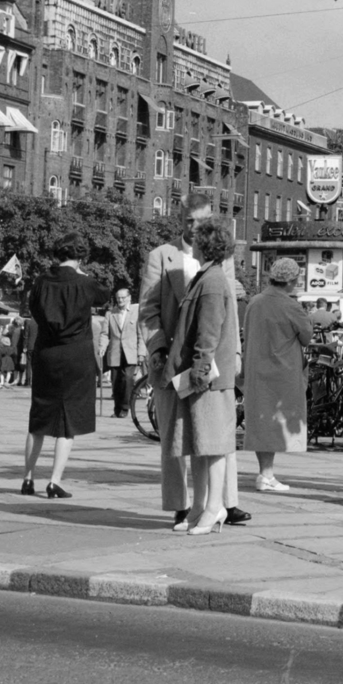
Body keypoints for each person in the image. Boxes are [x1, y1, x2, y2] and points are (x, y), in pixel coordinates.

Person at [141, 201, 250, 527]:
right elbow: (148, 309)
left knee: (214, 433)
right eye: (189, 220)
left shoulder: (220, 262)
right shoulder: (161, 256)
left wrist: (236, 353)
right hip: (171, 359)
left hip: (207, 359)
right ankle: (182, 503)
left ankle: (224, 504)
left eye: (201, 221)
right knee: (177, 435)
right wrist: (158, 348)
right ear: (181, 221)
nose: (194, 227)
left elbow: (225, 310)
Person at [20, 232, 108, 497]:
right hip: (75, 355)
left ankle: (27, 478)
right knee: (67, 421)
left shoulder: (41, 282)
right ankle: (54, 481)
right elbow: (104, 296)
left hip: (46, 353)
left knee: (38, 418)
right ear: (80, 256)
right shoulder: (86, 283)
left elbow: (33, 310)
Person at [167, 216, 240, 533]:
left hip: (206, 379)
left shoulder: (210, 282)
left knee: (211, 446)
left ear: (205, 245)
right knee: (199, 445)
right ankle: (200, 507)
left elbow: (207, 335)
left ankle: (213, 508)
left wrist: (198, 372)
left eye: (195, 239)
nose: (191, 244)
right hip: (202, 376)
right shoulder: (208, 277)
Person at [242, 258, 314, 494]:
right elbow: (306, 336)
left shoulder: (254, 302)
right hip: (282, 373)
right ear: (292, 281)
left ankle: (265, 473)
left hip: (256, 370)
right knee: (276, 423)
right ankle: (266, 476)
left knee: (261, 424)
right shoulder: (290, 305)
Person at [103, 287, 141, 416]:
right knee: (116, 382)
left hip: (130, 352)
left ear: (129, 298)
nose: (120, 300)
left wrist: (141, 353)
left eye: (122, 297)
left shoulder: (136, 312)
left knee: (127, 379)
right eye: (118, 297)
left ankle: (125, 408)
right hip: (115, 352)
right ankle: (117, 409)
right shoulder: (110, 313)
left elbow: (140, 334)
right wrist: (101, 347)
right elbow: (104, 334)